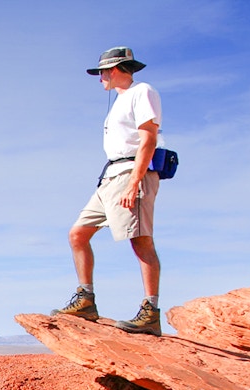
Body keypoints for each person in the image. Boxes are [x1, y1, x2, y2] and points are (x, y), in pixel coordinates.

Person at [52, 46, 164, 335]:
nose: (100, 77)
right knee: (78, 233)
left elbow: (148, 139)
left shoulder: (143, 92)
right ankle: (86, 300)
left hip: (130, 173)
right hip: (110, 176)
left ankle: (151, 311)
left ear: (114, 70)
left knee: (141, 241)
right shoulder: (121, 100)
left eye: (101, 72)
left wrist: (135, 181)